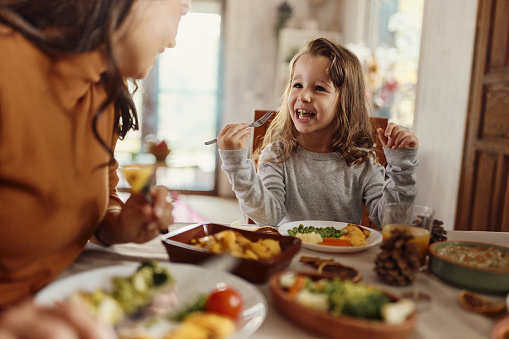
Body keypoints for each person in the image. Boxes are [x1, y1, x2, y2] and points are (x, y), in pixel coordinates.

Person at [0, 0, 189, 337]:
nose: (174, 40)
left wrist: (118, 223)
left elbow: (104, 191)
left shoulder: (106, 89)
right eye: (183, 7)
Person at [217, 38, 419, 227]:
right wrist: (236, 164)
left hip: (343, 260)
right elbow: (268, 217)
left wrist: (402, 166)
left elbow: (391, 222)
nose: (303, 95)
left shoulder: (363, 161)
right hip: (292, 257)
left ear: (345, 102)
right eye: (297, 85)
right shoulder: (277, 156)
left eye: (319, 88)